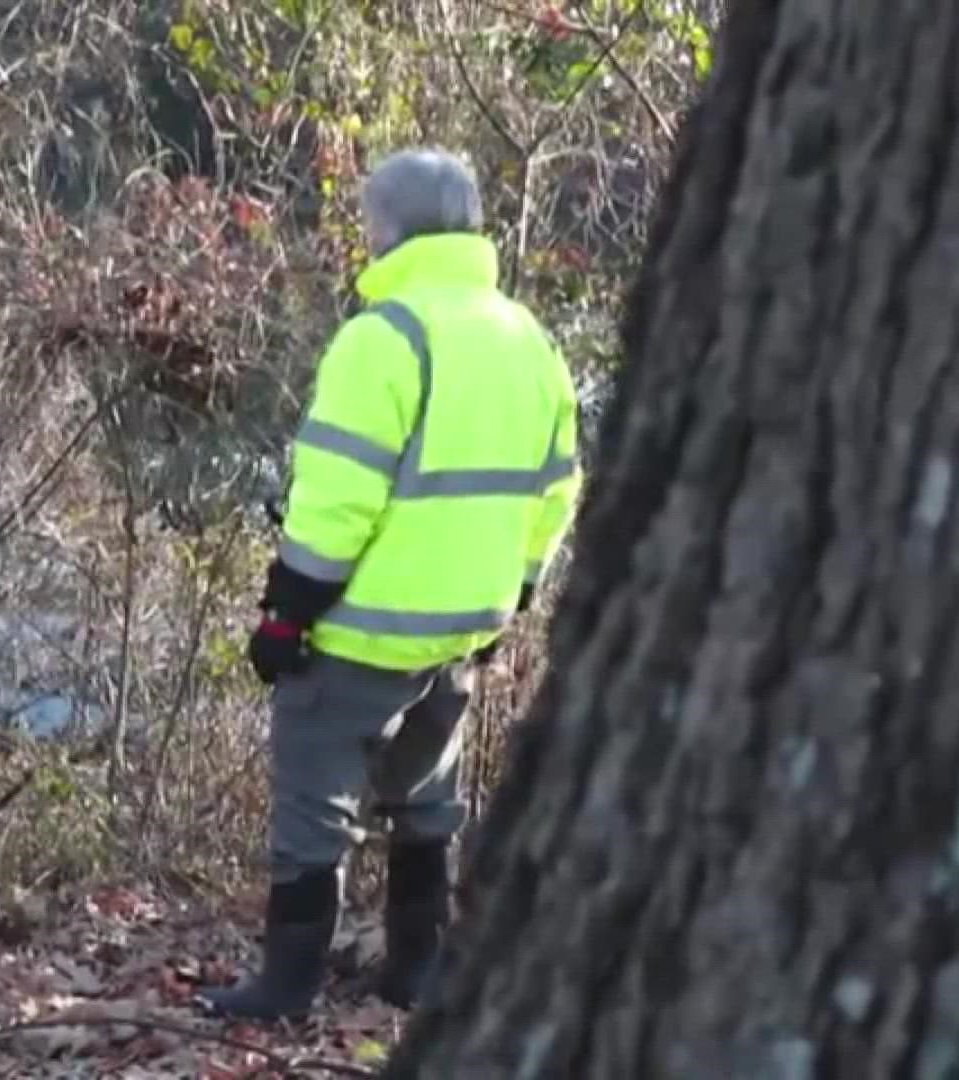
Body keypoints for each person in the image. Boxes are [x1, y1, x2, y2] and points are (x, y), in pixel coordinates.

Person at [196, 148, 582, 1020]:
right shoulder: (527, 337)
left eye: (370, 223)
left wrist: (286, 616)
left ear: (391, 229)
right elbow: (558, 492)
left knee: (312, 805)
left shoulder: (385, 339)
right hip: (462, 629)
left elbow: (336, 505)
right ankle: (417, 971)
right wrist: (514, 593)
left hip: (361, 631)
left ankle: (287, 986)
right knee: (426, 799)